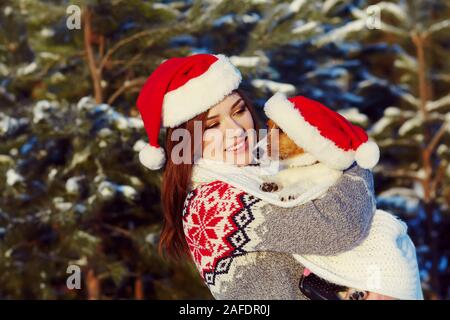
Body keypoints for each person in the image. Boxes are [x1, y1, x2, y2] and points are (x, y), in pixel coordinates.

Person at [135, 53, 385, 299]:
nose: (235, 130)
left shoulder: (266, 172)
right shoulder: (210, 206)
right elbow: (339, 227)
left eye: (239, 111)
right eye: (212, 125)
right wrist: (351, 157)